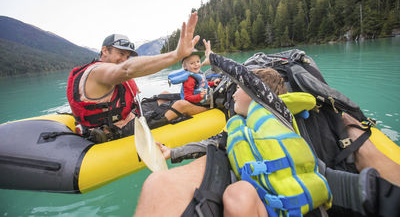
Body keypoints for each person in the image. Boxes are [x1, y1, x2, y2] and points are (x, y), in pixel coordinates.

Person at [135, 53, 400, 217]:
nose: (233, 95)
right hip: (264, 203)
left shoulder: (277, 113)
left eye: (237, 89)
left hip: (303, 201)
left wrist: (212, 58)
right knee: (238, 195)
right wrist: (173, 152)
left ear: (256, 93)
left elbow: (247, 81)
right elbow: (211, 143)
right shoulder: (237, 126)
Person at [66, 12, 207, 143]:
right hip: (116, 130)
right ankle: (214, 111)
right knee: (181, 105)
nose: (124, 59)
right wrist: (176, 55)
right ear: (104, 50)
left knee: (164, 95)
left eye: (127, 57)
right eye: (120, 53)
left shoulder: (99, 70)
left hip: (126, 116)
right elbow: (127, 69)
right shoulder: (99, 71)